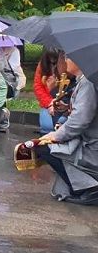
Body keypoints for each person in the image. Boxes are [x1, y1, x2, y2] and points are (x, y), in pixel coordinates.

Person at [34, 58, 98, 204]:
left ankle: (87, 189)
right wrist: (66, 109)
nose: (65, 60)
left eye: (68, 57)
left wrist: (56, 136)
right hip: (88, 141)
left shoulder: (88, 82)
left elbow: (80, 121)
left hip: (92, 147)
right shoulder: (85, 80)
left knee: (44, 146)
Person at [34, 49, 66, 134]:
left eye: (55, 61)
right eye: (51, 61)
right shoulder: (42, 65)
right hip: (48, 103)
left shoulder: (68, 64)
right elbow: (38, 86)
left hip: (64, 103)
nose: (53, 64)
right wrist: (50, 103)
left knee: (61, 123)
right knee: (46, 126)